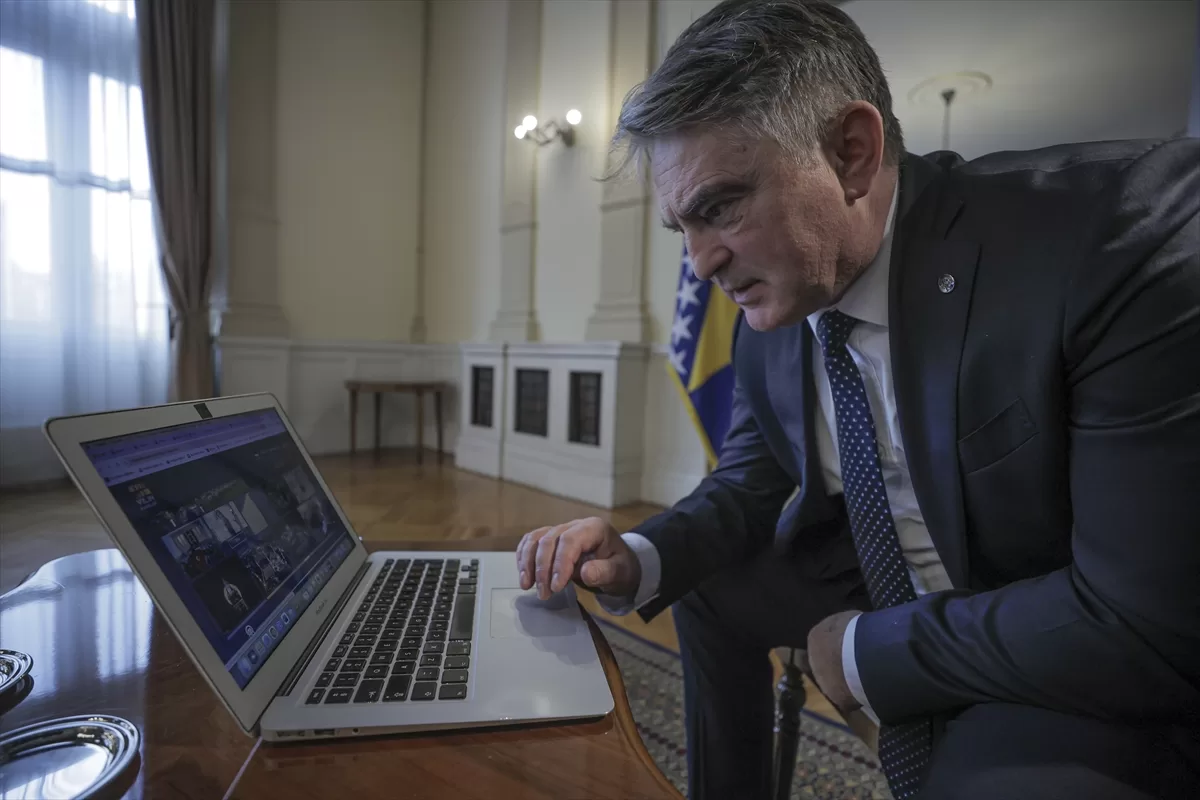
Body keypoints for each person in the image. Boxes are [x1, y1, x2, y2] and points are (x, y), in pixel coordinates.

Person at [514, 1, 1200, 798]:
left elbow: (1148, 621)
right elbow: (750, 482)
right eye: (682, 229)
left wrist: (865, 652)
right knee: (705, 590)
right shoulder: (771, 308)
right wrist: (636, 556)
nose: (701, 264)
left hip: (1044, 612)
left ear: (852, 153)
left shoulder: (1115, 234)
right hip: (870, 570)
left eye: (720, 207)